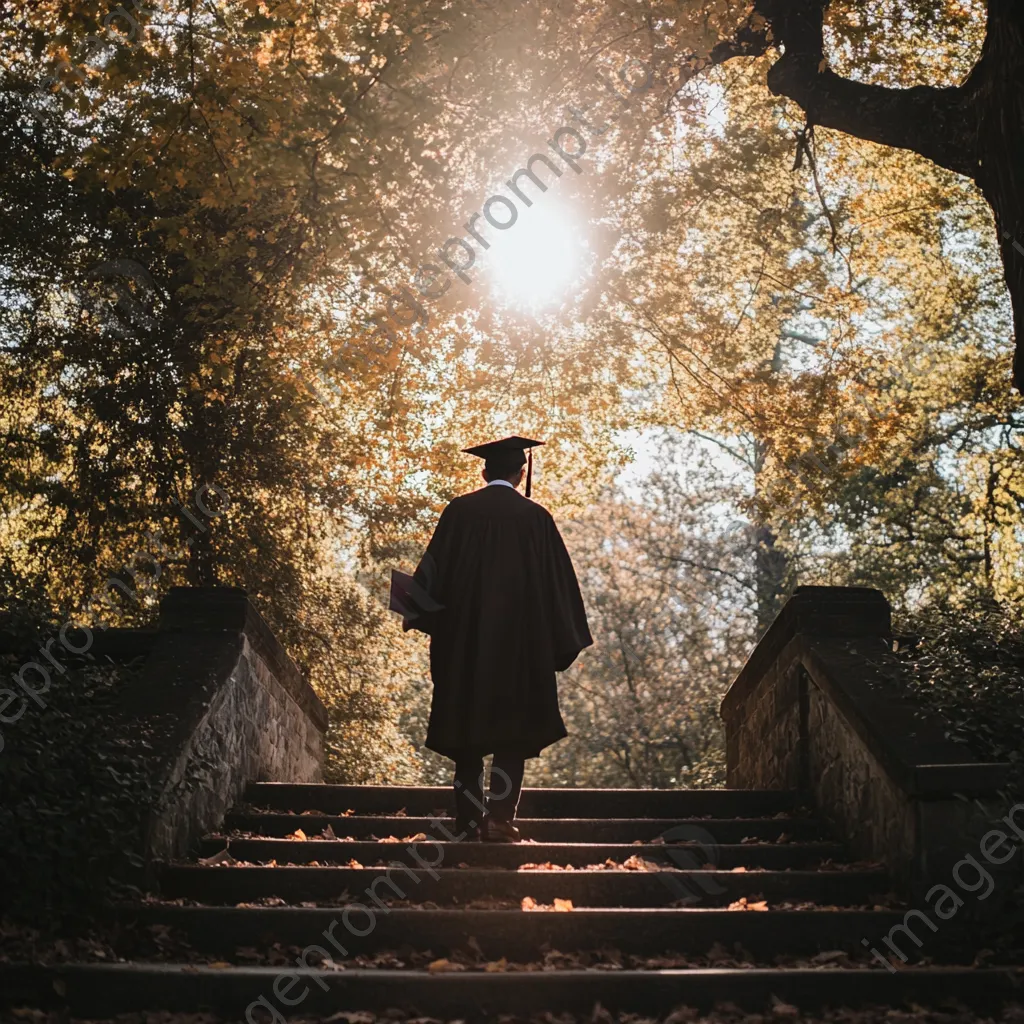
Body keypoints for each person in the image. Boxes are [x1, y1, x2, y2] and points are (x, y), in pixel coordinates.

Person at [399, 436, 592, 842]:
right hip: (521, 653)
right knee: (512, 735)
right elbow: (560, 589)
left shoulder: (459, 512)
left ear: (483, 471)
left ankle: (468, 824)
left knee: (466, 736)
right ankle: (502, 821)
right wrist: (556, 642)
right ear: (521, 474)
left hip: (465, 649)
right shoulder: (537, 518)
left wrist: (417, 609)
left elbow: (431, 577)